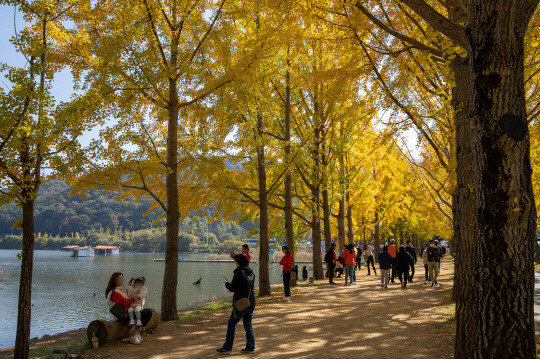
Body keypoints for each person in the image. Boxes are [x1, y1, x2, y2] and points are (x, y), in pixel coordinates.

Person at [217, 253, 256, 353]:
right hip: (250, 302)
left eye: (236, 261)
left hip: (241, 303)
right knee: (248, 324)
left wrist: (227, 283)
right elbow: (246, 286)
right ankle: (250, 346)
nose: (235, 263)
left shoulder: (239, 273)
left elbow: (232, 288)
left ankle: (227, 347)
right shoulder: (251, 273)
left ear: (239, 262)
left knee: (231, 323)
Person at [105, 272, 141, 344]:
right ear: (114, 280)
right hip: (120, 315)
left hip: (126, 312)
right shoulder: (114, 292)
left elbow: (127, 300)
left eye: (122, 278)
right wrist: (135, 298)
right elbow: (124, 302)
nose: (121, 280)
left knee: (146, 313)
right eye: (119, 278)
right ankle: (133, 336)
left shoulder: (123, 289)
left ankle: (136, 333)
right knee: (141, 315)